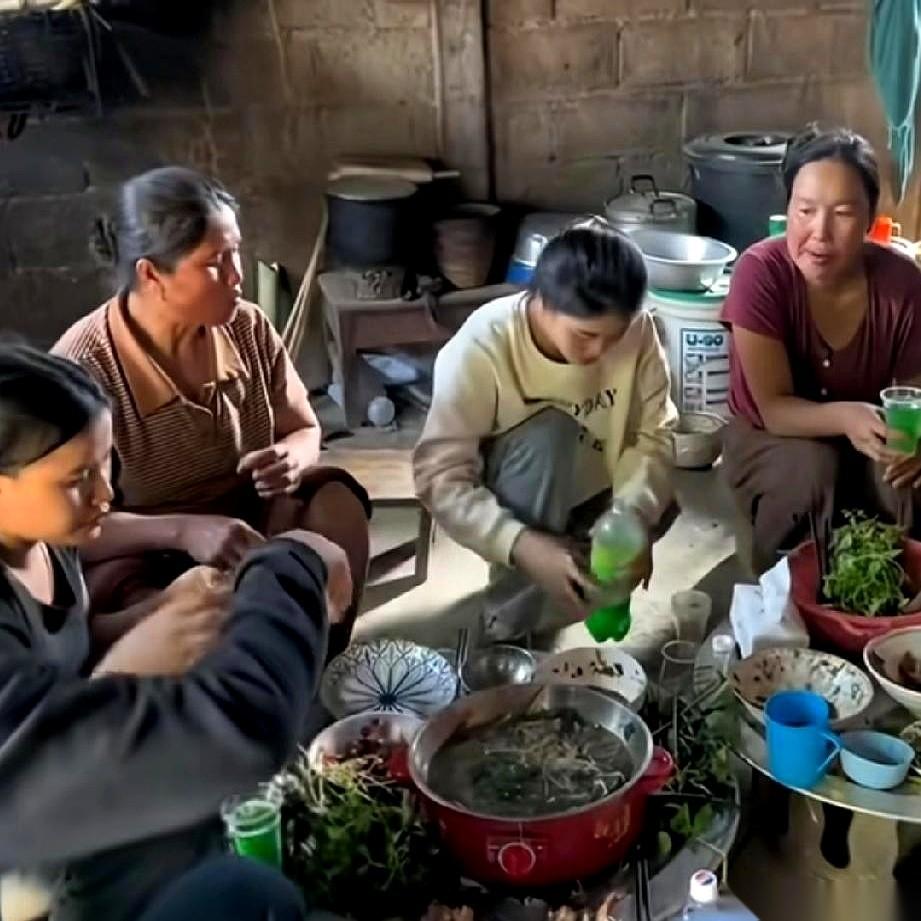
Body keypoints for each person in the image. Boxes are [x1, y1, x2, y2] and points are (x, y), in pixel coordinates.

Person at [0, 342, 351, 920]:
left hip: (92, 806)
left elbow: (70, 649)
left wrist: (158, 613)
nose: (105, 495)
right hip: (36, 877)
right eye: (77, 479)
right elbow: (240, 726)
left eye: (106, 466)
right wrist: (292, 563)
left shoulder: (48, 540)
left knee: (262, 890)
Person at [53, 166, 370, 654]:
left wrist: (291, 457)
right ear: (151, 274)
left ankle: (320, 667)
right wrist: (184, 530)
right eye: (214, 262)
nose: (238, 275)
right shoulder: (85, 368)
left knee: (336, 509)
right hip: (146, 546)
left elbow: (304, 428)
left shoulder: (245, 327)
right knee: (155, 619)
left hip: (252, 520)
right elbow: (64, 525)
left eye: (236, 252)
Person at [414, 220, 677, 644]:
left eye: (615, 337)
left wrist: (635, 516)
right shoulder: (484, 344)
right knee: (550, 435)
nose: (599, 353)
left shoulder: (639, 330)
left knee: (641, 518)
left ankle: (587, 556)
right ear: (541, 300)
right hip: (521, 489)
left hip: (597, 485)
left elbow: (656, 433)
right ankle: (509, 625)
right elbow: (440, 479)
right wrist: (519, 543)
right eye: (585, 335)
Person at [720, 125, 921, 574]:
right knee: (809, 471)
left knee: (905, 478)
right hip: (770, 439)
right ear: (787, 209)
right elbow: (773, 409)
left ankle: (894, 608)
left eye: (844, 213)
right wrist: (847, 416)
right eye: (805, 210)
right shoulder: (760, 274)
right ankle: (788, 599)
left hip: (866, 434)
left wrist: (915, 446)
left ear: (870, 221)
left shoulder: (902, 284)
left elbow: (913, 399)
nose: (820, 233)